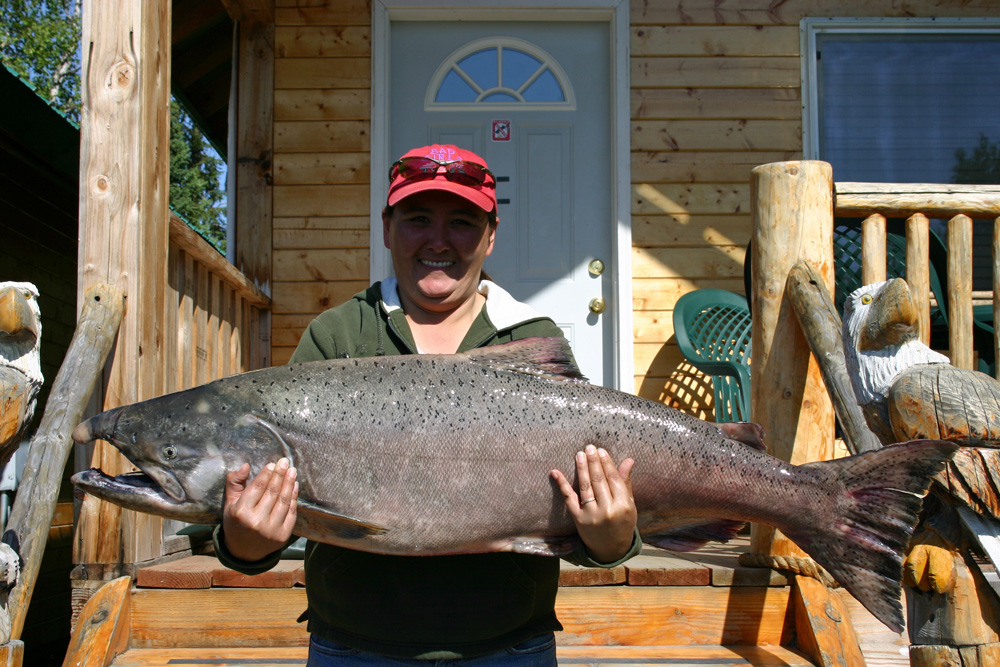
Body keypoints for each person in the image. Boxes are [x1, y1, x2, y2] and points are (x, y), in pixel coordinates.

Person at [213, 144, 641, 665]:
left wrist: (612, 540)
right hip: (354, 644)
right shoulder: (337, 336)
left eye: (461, 222)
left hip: (509, 643)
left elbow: (601, 538)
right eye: (418, 219)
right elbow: (267, 533)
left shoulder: (531, 335)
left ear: (491, 235)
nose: (438, 240)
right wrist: (244, 541)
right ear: (388, 228)